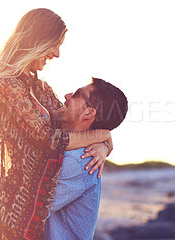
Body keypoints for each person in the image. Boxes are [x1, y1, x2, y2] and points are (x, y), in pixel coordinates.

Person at [0, 9, 112, 240]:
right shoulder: (4, 87)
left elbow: (71, 124)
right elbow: (50, 140)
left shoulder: (41, 91)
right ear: (36, 41)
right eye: (54, 44)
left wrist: (104, 144)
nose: (56, 53)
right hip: (6, 207)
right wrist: (102, 134)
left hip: (28, 212)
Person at [44, 78, 128, 240]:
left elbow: (33, 207)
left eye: (76, 95)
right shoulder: (74, 149)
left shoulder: (79, 159)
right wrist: (106, 141)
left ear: (89, 113)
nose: (67, 96)